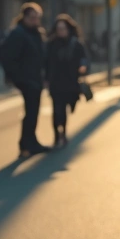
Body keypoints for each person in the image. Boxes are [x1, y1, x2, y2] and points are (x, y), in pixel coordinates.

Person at [0, 3, 49, 158]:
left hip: (35, 77)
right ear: (25, 17)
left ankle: (31, 142)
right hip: (26, 79)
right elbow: (8, 57)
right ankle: (26, 144)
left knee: (33, 112)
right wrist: (17, 77)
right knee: (30, 112)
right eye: (32, 17)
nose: (35, 20)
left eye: (37, 18)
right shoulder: (18, 34)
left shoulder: (37, 33)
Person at [44, 15, 87, 148]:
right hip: (56, 82)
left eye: (63, 29)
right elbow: (46, 63)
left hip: (71, 81)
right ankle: (58, 134)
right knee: (57, 109)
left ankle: (63, 131)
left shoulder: (75, 43)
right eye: (58, 29)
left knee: (67, 107)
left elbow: (84, 58)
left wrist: (83, 67)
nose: (61, 31)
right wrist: (46, 79)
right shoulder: (51, 44)